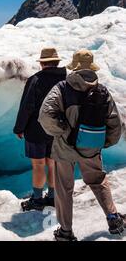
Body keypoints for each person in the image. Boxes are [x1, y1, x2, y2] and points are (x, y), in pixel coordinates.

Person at [39, 49, 125, 241]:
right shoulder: (102, 90)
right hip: (91, 148)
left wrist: (61, 131)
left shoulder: (61, 88)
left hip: (64, 148)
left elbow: (44, 116)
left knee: (64, 189)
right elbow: (115, 123)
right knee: (98, 181)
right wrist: (103, 143)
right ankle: (113, 218)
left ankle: (65, 232)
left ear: (74, 67)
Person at [14, 48, 67, 211]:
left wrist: (19, 128)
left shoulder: (36, 79)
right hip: (57, 129)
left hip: (36, 129)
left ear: (43, 63)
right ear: (57, 62)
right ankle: (52, 197)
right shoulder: (65, 80)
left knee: (38, 164)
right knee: (52, 163)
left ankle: (37, 199)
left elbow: (27, 106)